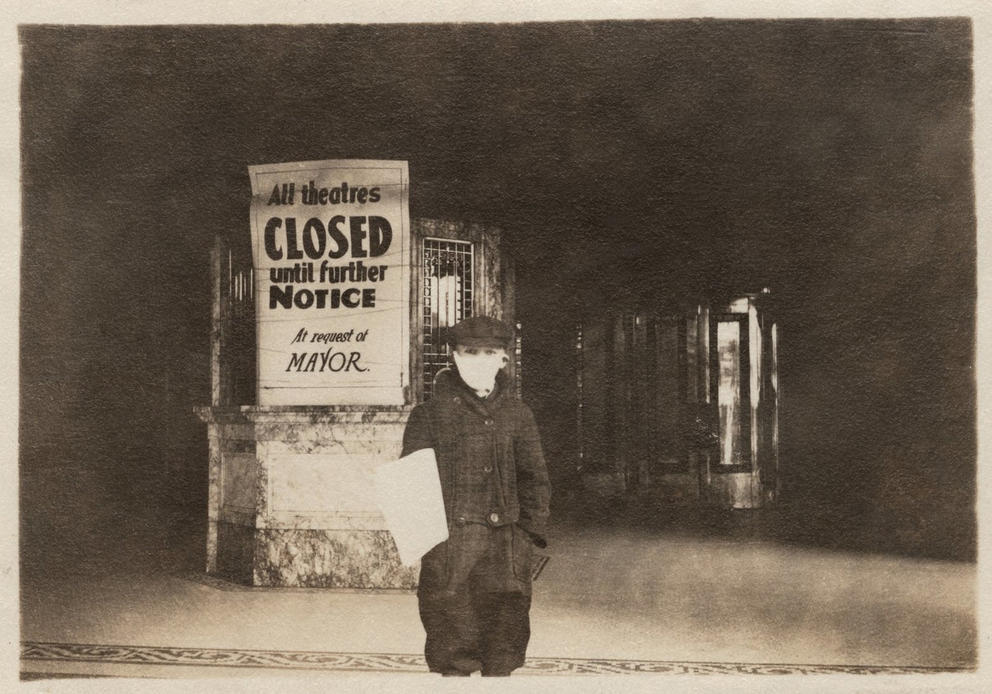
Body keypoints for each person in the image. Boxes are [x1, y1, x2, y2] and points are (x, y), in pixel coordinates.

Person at [401, 315, 551, 677]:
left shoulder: (519, 414)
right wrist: (434, 550)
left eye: (489, 352)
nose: (479, 359)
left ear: (503, 359)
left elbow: (535, 480)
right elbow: (411, 487)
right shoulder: (429, 415)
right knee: (451, 638)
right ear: (454, 356)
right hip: (452, 551)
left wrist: (529, 538)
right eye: (470, 352)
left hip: (507, 550)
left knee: (504, 642)